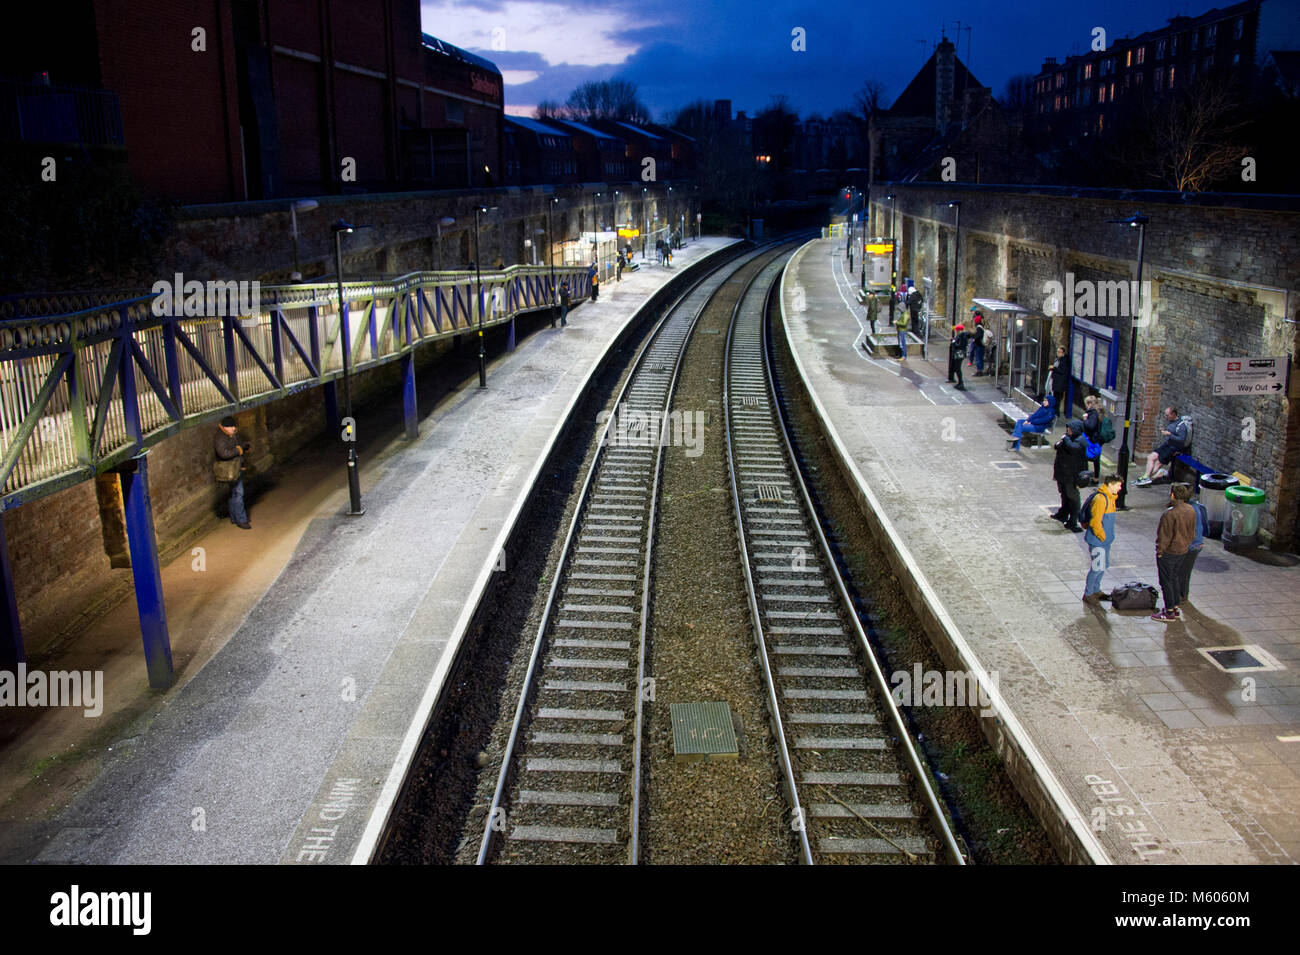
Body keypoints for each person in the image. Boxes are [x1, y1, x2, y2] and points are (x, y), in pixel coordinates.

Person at [1152, 483, 1197, 621]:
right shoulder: (1191, 510)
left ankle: (1169, 612)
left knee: (1166, 581)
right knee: (1175, 578)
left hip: (1169, 553)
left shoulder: (1169, 514)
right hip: (1183, 551)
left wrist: (1160, 551)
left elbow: (1164, 536)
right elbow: (1192, 531)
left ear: (1173, 495)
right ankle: (1176, 607)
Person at [1082, 474, 1124, 604]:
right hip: (1098, 541)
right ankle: (1088, 593)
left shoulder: (1110, 498)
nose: (1120, 488)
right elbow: (1095, 522)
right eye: (1118, 485)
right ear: (1110, 484)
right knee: (1097, 567)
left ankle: (1096, 590)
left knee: (1103, 565)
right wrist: (1103, 537)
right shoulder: (1101, 499)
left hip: (1104, 541)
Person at [1136, 406, 1190, 486]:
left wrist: (1169, 434)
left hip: (1173, 448)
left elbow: (1181, 439)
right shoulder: (1172, 421)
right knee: (1151, 457)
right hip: (1167, 445)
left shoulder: (1181, 426)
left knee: (1158, 463)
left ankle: (1147, 477)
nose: (1166, 417)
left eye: (1167, 415)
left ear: (1173, 414)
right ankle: (1146, 476)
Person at [214, 416, 252, 530]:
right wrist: (238, 449)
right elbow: (223, 453)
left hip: (235, 467)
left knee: (233, 493)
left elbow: (239, 444)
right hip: (230, 469)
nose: (234, 428)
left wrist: (244, 447)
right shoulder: (220, 437)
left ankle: (234, 517)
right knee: (239, 493)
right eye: (232, 426)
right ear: (225, 427)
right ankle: (242, 520)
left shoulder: (232, 435)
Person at [1051, 418, 1088, 532]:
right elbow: (1057, 446)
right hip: (1062, 473)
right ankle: (1063, 513)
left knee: (1073, 497)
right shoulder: (1068, 439)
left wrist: (1065, 439)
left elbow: (1073, 448)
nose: (1068, 431)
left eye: (1070, 429)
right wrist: (1062, 441)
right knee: (1064, 494)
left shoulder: (1080, 440)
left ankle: (1073, 521)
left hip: (1072, 475)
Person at [1178, 485, 1210, 605]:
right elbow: (1205, 526)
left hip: (1189, 546)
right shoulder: (1199, 506)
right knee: (1185, 571)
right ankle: (1182, 594)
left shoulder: (1185, 510)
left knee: (1182, 572)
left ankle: (1181, 596)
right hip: (1197, 544)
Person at [1082, 395, 1103, 482]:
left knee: (1086, 456)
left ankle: (1087, 476)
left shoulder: (1092, 414)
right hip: (1095, 439)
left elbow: (1091, 426)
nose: (1085, 406)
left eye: (1086, 404)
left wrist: (1085, 419)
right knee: (1096, 459)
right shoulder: (1097, 413)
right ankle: (1096, 477)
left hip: (1091, 439)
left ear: (1090, 404)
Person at [947, 323, 970, 390]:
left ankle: (961, 383)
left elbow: (959, 345)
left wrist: (953, 342)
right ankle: (960, 383)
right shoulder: (961, 335)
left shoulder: (962, 336)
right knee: (957, 368)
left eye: (956, 330)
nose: (955, 331)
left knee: (958, 368)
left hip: (959, 354)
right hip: (958, 353)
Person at [1048, 345, 1070, 414]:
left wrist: (1053, 368)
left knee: (1057, 399)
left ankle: (1056, 413)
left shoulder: (1064, 361)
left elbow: (1062, 371)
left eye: (1060, 352)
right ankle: (1054, 411)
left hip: (1059, 384)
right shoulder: (1057, 359)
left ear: (1063, 353)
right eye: (1058, 352)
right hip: (1055, 382)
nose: (1058, 353)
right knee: (1054, 397)